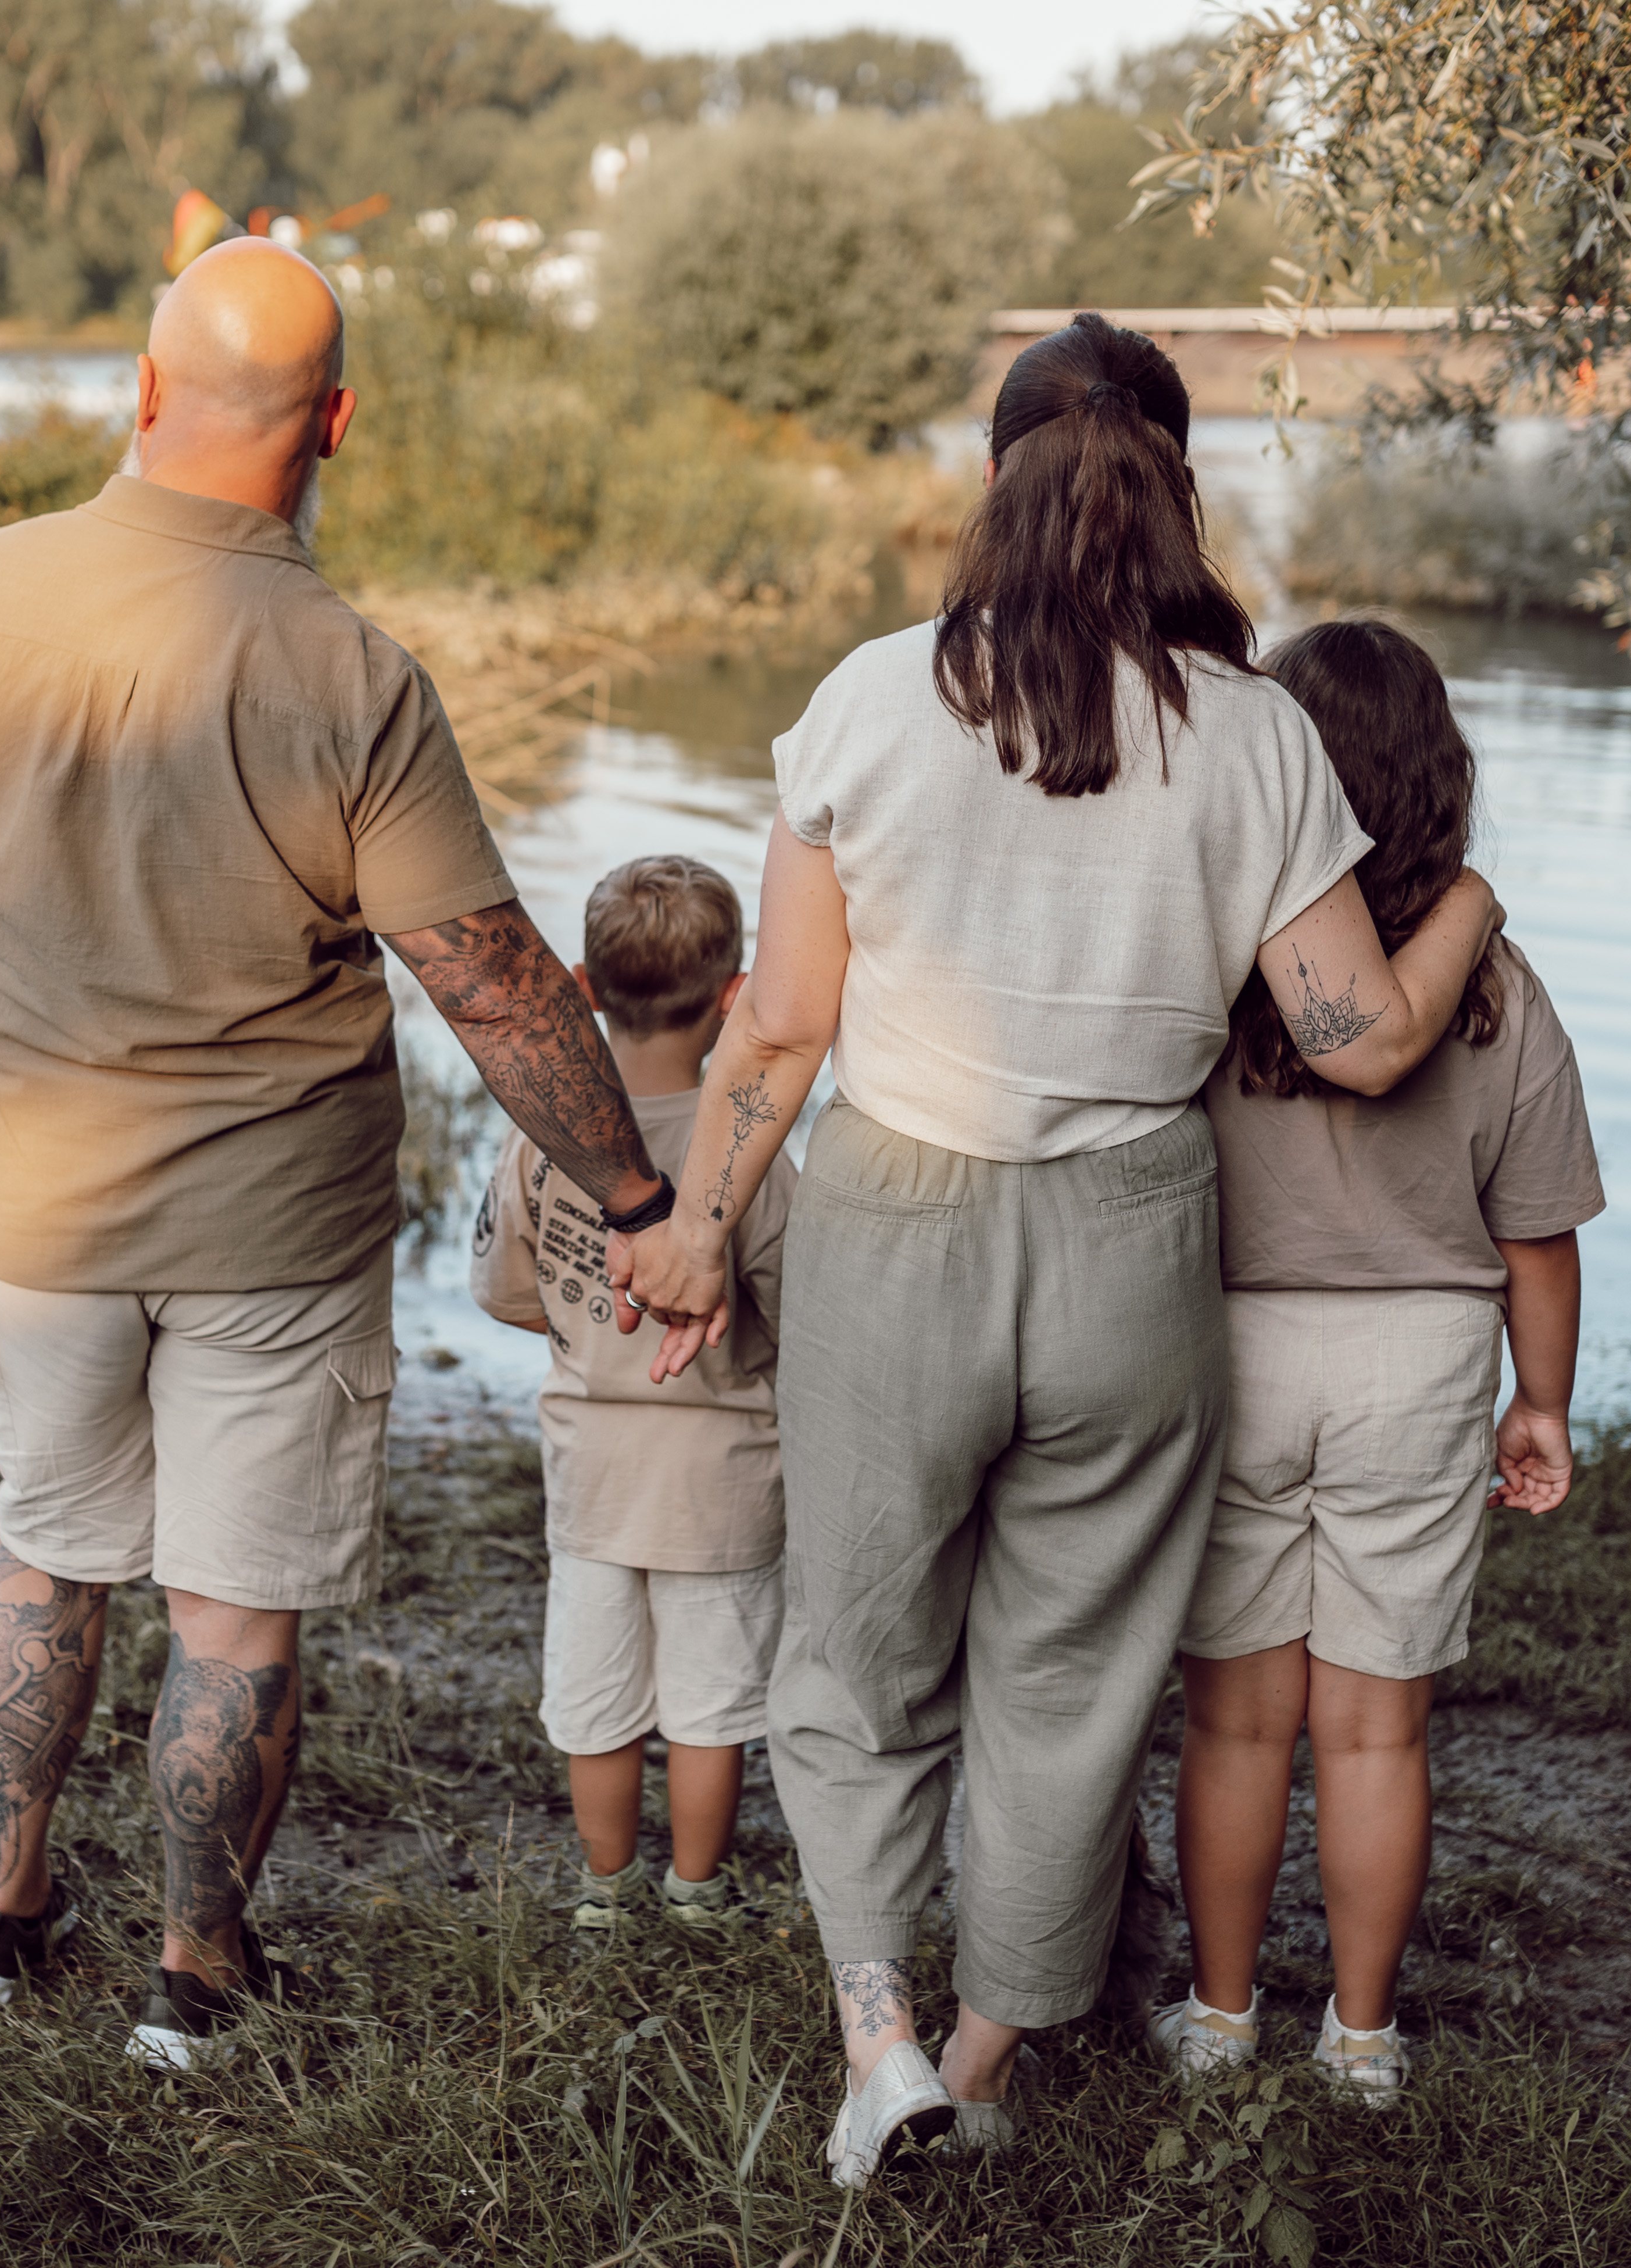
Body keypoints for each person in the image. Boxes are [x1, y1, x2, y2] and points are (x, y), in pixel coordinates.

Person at [614, 314, 1504, 2187]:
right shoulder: (1256, 734)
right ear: (1175, 487)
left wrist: (699, 1232)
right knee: (1074, 1669)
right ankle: (986, 2052)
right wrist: (1470, 904)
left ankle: (879, 2037)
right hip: (1128, 1243)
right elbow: (1356, 1040)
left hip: (894, 1220)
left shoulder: (866, 699)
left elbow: (773, 1026)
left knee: (856, 1660)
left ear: (992, 475)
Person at [0, 238, 675, 2070]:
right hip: (271, 1227)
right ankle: (193, 1969)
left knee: (42, 1552)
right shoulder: (349, 674)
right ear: (337, 424)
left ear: (139, 391)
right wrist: (632, 1186)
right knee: (230, 1602)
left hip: (34, 1197)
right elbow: (491, 979)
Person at [1151, 617, 1603, 2104]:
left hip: (1232, 1342)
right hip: (1417, 1359)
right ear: (1437, 781)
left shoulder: (1217, 959)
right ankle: (1359, 2038)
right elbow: (1535, 1236)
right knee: (1371, 1726)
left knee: (1233, 1720)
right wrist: (1537, 1398)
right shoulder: (1495, 987)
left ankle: (1218, 2020)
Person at [469, 856, 798, 1934]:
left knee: (597, 1697)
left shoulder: (539, 1141)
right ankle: (696, 1890)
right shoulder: (750, 1159)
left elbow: (509, 1292)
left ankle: (605, 1891)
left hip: (595, 1475)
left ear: (578, 985)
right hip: (727, 1479)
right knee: (709, 1707)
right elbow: (799, 1318)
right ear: (733, 994)